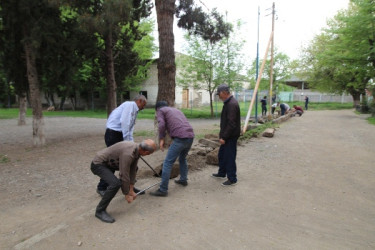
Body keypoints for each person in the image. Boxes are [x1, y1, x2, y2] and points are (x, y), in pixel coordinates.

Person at [91, 139, 156, 223]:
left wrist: (131, 190)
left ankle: (128, 188)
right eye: (149, 154)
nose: (148, 155)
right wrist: (126, 194)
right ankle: (100, 211)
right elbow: (123, 175)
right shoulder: (128, 154)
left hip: (111, 162)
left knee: (135, 168)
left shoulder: (137, 148)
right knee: (115, 184)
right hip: (99, 164)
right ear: (146, 152)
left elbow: (132, 169)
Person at [97, 95, 147, 197]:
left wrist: (133, 145)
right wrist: (128, 143)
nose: (144, 107)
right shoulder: (129, 105)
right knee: (113, 162)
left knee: (130, 161)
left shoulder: (135, 110)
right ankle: (101, 187)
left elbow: (130, 128)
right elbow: (125, 123)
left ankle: (129, 186)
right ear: (139, 101)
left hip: (119, 134)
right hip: (113, 134)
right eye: (144, 104)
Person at [150, 101, 195, 197]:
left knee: (167, 163)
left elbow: (161, 124)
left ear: (157, 109)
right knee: (182, 159)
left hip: (180, 138)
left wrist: (161, 138)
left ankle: (163, 190)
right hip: (190, 136)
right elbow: (178, 125)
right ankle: (183, 180)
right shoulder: (175, 110)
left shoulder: (160, 110)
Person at [211, 84, 241, 186]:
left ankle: (232, 178)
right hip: (227, 135)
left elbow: (231, 123)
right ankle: (222, 173)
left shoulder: (232, 104)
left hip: (230, 136)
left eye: (219, 94)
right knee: (222, 155)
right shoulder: (228, 103)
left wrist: (224, 137)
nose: (218, 96)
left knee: (229, 157)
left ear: (224, 92)